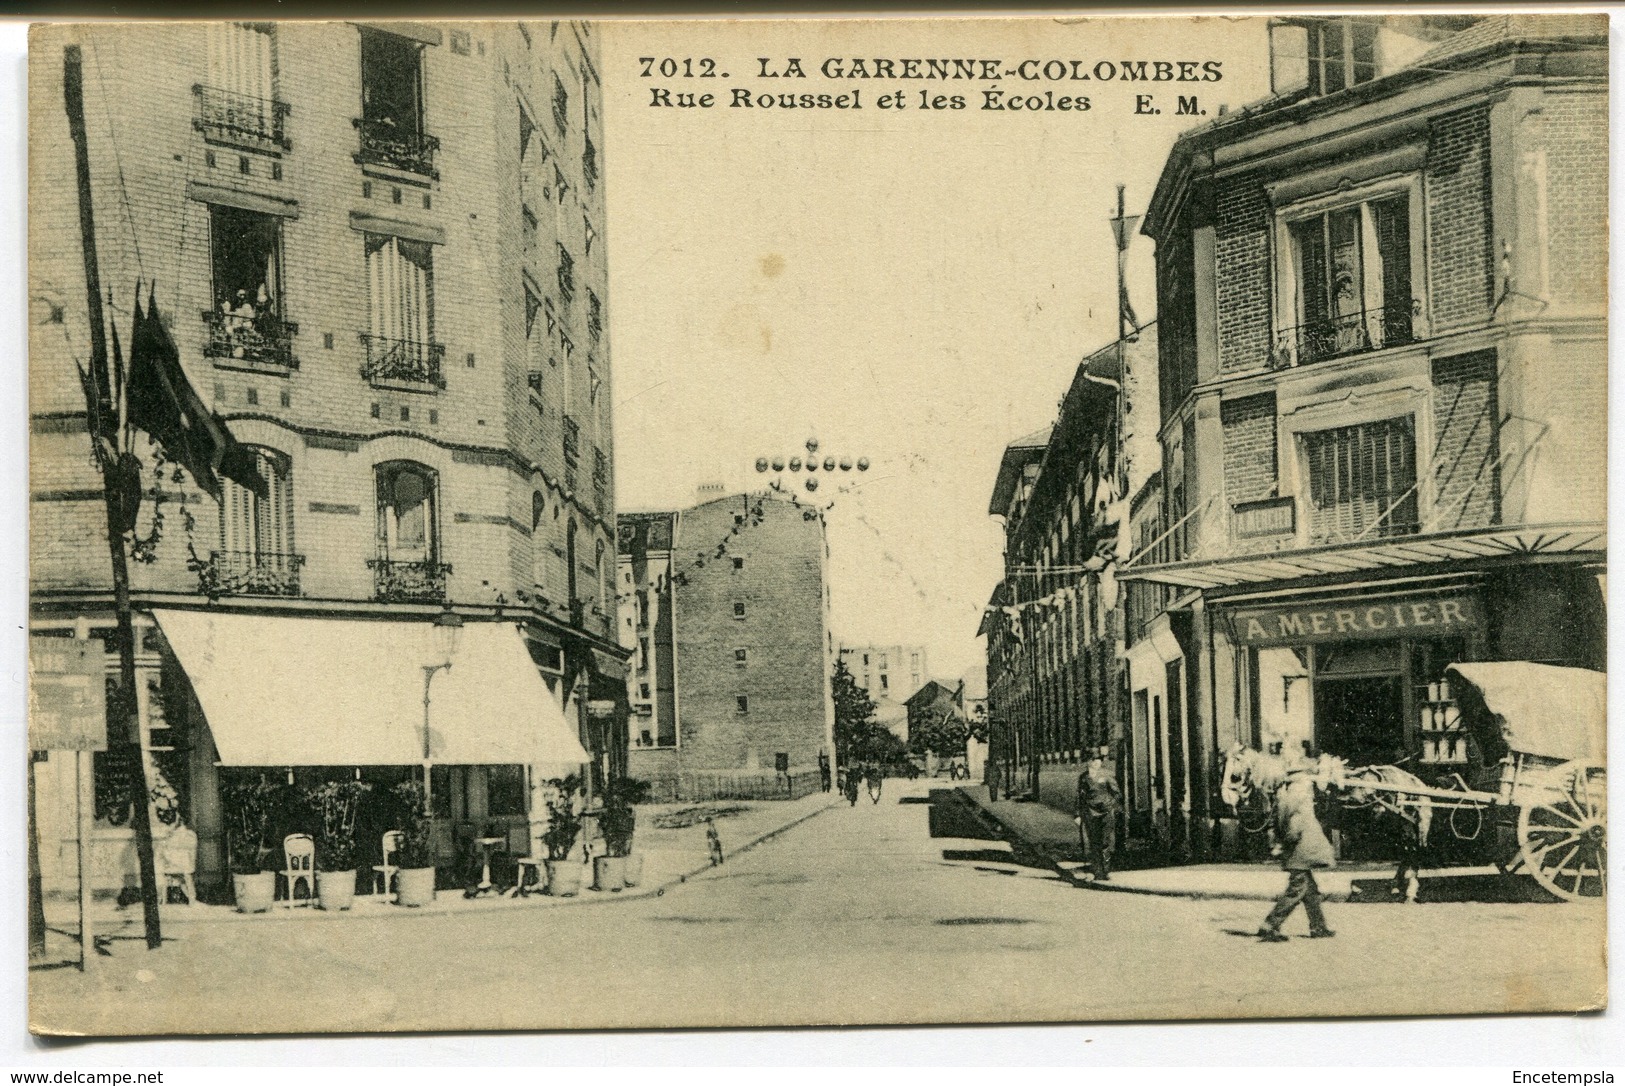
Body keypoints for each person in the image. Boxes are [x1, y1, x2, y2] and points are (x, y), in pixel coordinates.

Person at [1258, 765, 1337, 942]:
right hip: (1300, 852)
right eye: (1307, 780)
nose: (1310, 784)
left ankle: (1318, 927)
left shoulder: (1288, 796)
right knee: (1296, 890)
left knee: (1311, 892)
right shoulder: (1299, 798)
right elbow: (1294, 826)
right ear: (1301, 781)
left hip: (1299, 852)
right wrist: (1289, 843)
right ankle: (1270, 925)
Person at [1075, 746, 1122, 882]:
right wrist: (1077, 815)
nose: (1096, 762)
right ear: (1088, 761)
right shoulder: (1084, 778)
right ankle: (1097, 872)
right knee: (1094, 843)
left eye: (1098, 759)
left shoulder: (1107, 775)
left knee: (1106, 843)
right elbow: (1079, 797)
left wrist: (1109, 804)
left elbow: (1117, 793)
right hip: (1090, 813)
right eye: (1093, 759)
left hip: (1106, 813)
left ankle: (1106, 871)